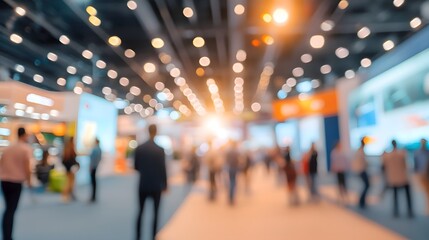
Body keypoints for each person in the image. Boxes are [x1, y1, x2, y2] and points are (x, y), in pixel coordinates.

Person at [134, 124, 167, 240]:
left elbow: (136, 166)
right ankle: (153, 236)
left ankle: (137, 236)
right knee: (155, 213)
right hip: (156, 185)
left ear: (147, 131)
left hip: (143, 184)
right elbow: (163, 168)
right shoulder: (160, 150)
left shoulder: (140, 148)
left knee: (140, 211)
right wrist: (165, 184)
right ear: (156, 132)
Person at [0, 127, 32, 240]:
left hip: (4, 181)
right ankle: (7, 236)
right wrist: (29, 181)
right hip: (16, 182)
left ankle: (6, 235)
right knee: (11, 210)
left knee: (8, 208)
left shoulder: (8, 148)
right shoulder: (25, 148)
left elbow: (1, 163)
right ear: (24, 135)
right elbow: (27, 166)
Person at [384, 140, 414, 218]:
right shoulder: (402, 154)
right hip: (403, 177)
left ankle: (396, 211)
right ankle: (409, 211)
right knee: (407, 196)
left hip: (393, 178)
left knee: (395, 196)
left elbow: (384, 167)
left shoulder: (388, 155)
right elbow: (407, 165)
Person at [413, 138, 429, 215]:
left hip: (427, 174)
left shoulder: (427, 152)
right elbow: (415, 165)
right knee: (425, 192)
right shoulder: (417, 153)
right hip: (421, 174)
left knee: (427, 192)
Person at [353, 138, 370, 209]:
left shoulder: (360, 150)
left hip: (361, 170)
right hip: (361, 170)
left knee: (366, 185)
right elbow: (361, 162)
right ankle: (361, 200)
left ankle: (362, 200)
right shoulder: (360, 151)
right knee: (367, 185)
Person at [62, 137, 79, 202]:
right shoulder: (70, 149)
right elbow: (70, 159)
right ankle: (66, 196)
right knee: (69, 183)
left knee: (69, 182)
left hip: (69, 168)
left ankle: (69, 195)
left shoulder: (67, 149)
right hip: (70, 168)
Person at [225, 141, 240, 205]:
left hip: (230, 168)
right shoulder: (237, 152)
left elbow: (226, 160)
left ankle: (230, 197)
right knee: (233, 182)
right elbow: (239, 160)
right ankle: (232, 197)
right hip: (235, 168)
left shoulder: (228, 152)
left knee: (231, 181)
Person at [89, 138, 102, 203]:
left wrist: (91, 166)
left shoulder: (95, 149)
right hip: (95, 166)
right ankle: (93, 196)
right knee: (94, 182)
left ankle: (93, 196)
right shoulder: (99, 149)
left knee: (93, 182)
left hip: (93, 167)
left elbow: (93, 159)